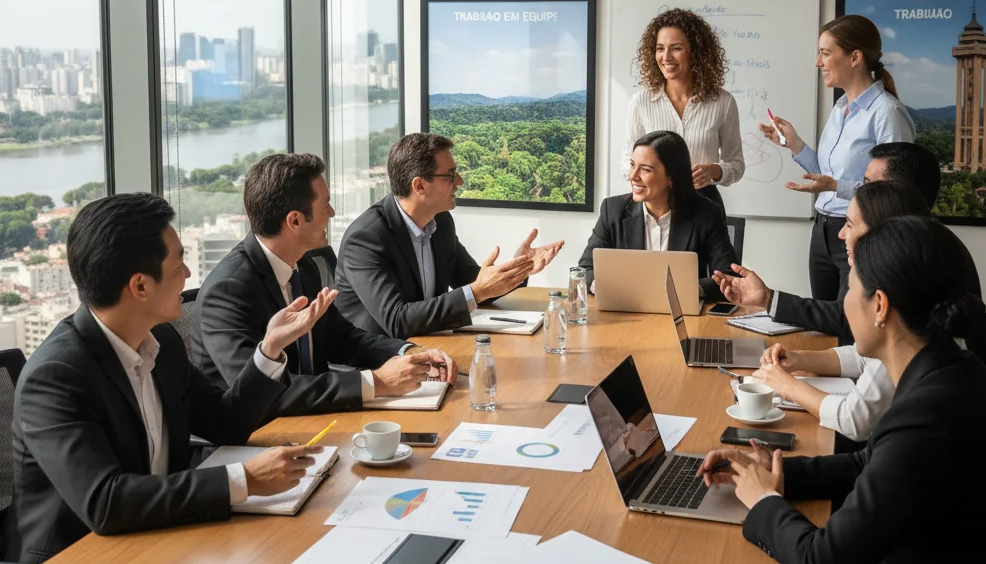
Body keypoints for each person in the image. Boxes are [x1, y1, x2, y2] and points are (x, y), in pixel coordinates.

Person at [699, 216, 986, 564]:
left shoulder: (929, 412)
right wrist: (776, 472)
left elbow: (823, 563)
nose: (842, 301)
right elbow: (871, 462)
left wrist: (763, 500)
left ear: (879, 306)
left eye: (849, 288)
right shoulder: (949, 372)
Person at [6, 194, 330, 564]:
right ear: (140, 286)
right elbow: (105, 502)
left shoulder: (163, 343)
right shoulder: (56, 376)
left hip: (160, 538)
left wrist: (270, 349)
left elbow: (227, 423)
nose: (188, 275)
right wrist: (243, 480)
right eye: (178, 263)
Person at [192, 153, 457, 418]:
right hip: (261, 438)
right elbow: (261, 393)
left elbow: (342, 338)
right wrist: (376, 382)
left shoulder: (303, 265)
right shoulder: (228, 291)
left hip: (317, 417)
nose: (332, 213)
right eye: (326, 205)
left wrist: (408, 351)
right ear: (294, 221)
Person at [751, 180, 951, 442]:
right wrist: (798, 359)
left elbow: (855, 421)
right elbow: (862, 358)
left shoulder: (906, 321)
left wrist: (788, 386)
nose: (841, 235)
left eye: (849, 224)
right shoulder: (912, 285)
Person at [712, 140, 958, 345]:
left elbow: (846, 318)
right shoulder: (910, 239)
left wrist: (769, 299)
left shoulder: (916, 255)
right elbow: (847, 316)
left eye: (869, 185)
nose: (860, 192)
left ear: (898, 193)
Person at [334, 134, 563, 338]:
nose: (460, 182)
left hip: (430, 347)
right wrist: (478, 289)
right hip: (376, 365)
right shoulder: (366, 238)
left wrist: (519, 267)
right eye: (451, 175)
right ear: (420, 186)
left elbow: (475, 283)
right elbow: (397, 321)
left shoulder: (441, 222)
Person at [759, 14, 914, 300]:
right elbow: (826, 174)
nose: (818, 62)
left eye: (825, 53)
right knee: (823, 321)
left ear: (855, 57)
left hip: (861, 234)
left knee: (849, 328)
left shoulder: (887, 113)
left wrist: (834, 187)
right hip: (822, 230)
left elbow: (897, 191)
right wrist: (795, 145)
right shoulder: (841, 107)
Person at [581, 131, 738, 301]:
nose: (633, 176)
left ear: (671, 177)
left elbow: (728, 277)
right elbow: (585, 269)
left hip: (682, 315)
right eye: (632, 165)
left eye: (645, 169)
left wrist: (690, 290)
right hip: (626, 312)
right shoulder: (612, 210)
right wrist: (603, 286)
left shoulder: (707, 214)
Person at [621, 8, 744, 209]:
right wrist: (651, 175)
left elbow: (736, 165)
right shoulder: (641, 101)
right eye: (660, 48)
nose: (666, 57)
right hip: (654, 205)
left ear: (695, 52)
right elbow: (626, 161)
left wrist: (714, 171)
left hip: (704, 205)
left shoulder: (723, 102)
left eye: (676, 48)